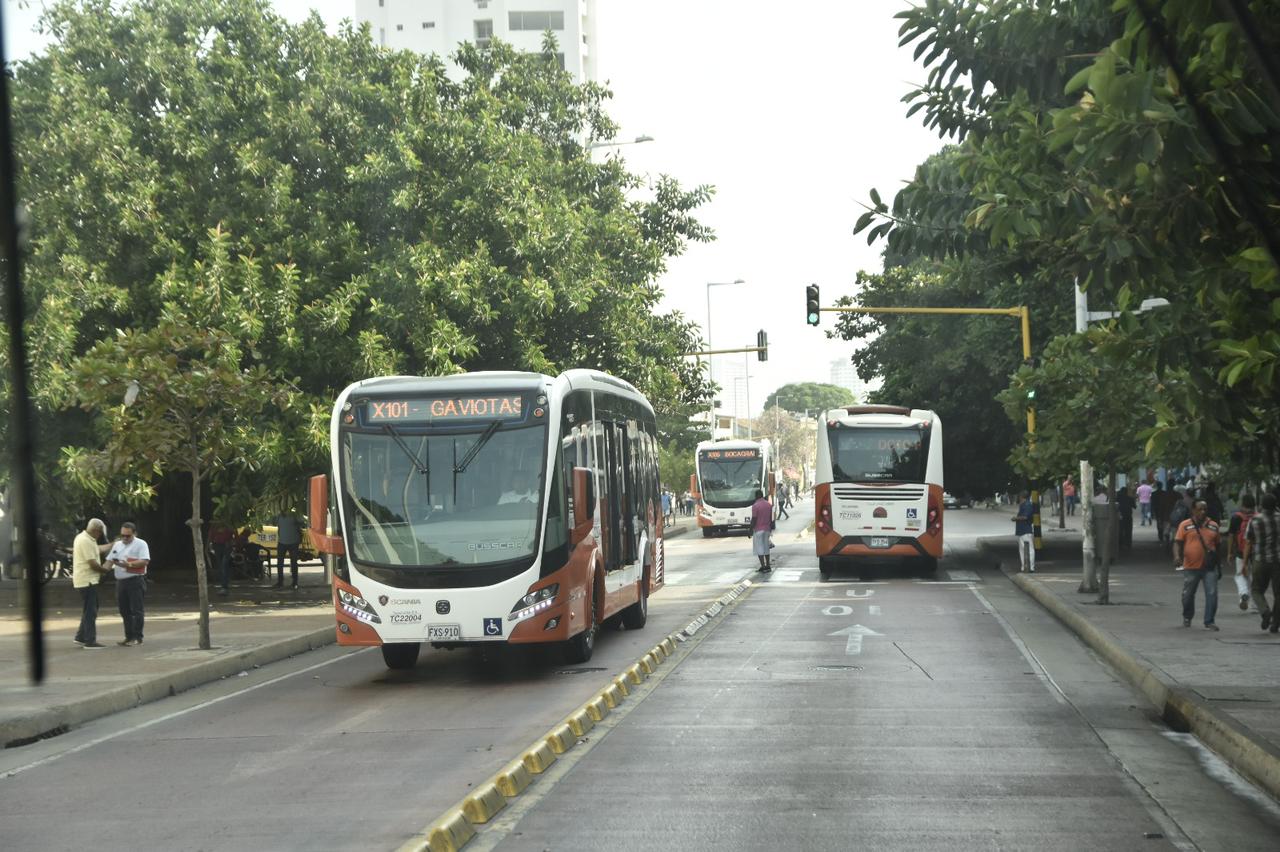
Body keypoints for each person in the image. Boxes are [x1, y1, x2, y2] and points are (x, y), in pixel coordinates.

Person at [1173, 500, 1223, 630]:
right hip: (1190, 566)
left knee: (1212, 593)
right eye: (1200, 509)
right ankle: (1187, 616)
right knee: (1188, 594)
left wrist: (1219, 564)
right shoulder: (1185, 525)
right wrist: (1177, 556)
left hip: (1209, 567)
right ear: (1193, 510)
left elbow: (1218, 545)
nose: (1203, 512)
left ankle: (1209, 621)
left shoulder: (1214, 526)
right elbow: (1177, 542)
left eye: (1205, 509)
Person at [104, 521, 150, 646]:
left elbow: (145, 561)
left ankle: (137, 636)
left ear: (134, 534)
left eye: (128, 536)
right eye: (122, 535)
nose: (124, 538)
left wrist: (129, 564)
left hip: (135, 580)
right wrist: (100, 570)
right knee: (124, 610)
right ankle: (128, 636)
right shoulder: (117, 545)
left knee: (136, 610)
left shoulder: (141, 544)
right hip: (121, 581)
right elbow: (109, 562)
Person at [1243, 492, 1280, 632]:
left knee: (1256, 590)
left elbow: (1248, 542)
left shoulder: (1255, 520)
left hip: (1260, 560)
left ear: (1261, 505)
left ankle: (1265, 612)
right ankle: (1276, 623)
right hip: (1278, 560)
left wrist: (1245, 563)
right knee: (1279, 593)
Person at [72, 518, 110, 648]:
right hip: (87, 580)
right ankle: (90, 640)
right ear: (95, 530)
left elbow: (97, 549)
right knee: (91, 611)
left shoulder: (84, 538)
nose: (99, 536)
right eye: (99, 533)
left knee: (90, 609)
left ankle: (81, 636)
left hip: (85, 580)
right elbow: (93, 563)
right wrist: (104, 569)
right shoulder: (86, 541)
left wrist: (112, 545)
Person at [1226, 494, 1257, 612]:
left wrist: (1229, 552)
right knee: (1255, 577)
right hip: (1255, 551)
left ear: (1242, 503)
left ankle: (1243, 594)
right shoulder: (1258, 517)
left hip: (1241, 549)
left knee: (1240, 574)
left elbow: (1231, 536)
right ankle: (1254, 605)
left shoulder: (1236, 517)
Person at [274, 511, 302, 590]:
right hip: (284, 542)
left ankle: (294, 582)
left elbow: (301, 524)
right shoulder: (280, 515)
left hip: (291, 542)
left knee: (292, 563)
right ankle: (282, 581)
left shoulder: (294, 514)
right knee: (282, 563)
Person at [209, 519, 235, 595]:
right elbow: (210, 538)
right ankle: (223, 585)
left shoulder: (229, 527)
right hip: (217, 547)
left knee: (224, 565)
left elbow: (234, 536)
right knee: (221, 566)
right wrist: (209, 547)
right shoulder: (214, 528)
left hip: (227, 547)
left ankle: (224, 586)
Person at [1013, 491, 1037, 573]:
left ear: (1021, 497)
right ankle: (1024, 566)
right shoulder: (1023, 505)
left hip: (1026, 530)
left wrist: (1016, 518)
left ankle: (1030, 567)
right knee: (1022, 550)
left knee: (1029, 549)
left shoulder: (1027, 505)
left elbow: (1025, 517)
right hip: (1021, 530)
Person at [750, 489, 773, 573]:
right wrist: (770, 528)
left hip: (758, 530)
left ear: (756, 496)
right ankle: (768, 565)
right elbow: (771, 518)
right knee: (766, 547)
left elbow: (754, 519)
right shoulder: (768, 505)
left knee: (759, 548)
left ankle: (763, 566)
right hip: (767, 529)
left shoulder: (755, 506)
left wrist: (750, 529)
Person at [1116, 486, 1134, 552]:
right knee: (1128, 530)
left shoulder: (1117, 498)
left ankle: (1120, 543)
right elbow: (1134, 506)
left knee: (1120, 530)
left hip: (1120, 516)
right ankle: (1128, 544)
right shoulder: (1130, 498)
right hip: (1128, 516)